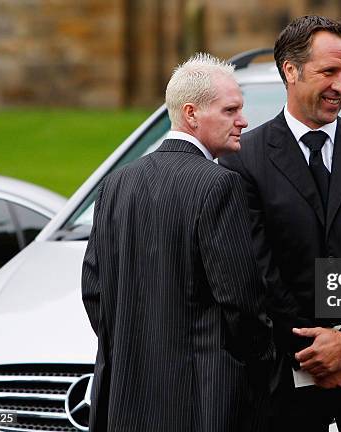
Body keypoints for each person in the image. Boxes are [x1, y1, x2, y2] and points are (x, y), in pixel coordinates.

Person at [220, 16, 341, 432]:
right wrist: (317, 354)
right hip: (284, 388)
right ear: (290, 71)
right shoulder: (242, 159)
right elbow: (257, 274)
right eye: (329, 72)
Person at [82, 53, 274, 432]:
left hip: (125, 402)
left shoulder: (116, 183)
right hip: (203, 401)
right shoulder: (219, 184)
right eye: (230, 110)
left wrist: (129, 345)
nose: (244, 121)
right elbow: (241, 300)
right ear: (191, 114)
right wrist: (261, 359)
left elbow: (94, 290)